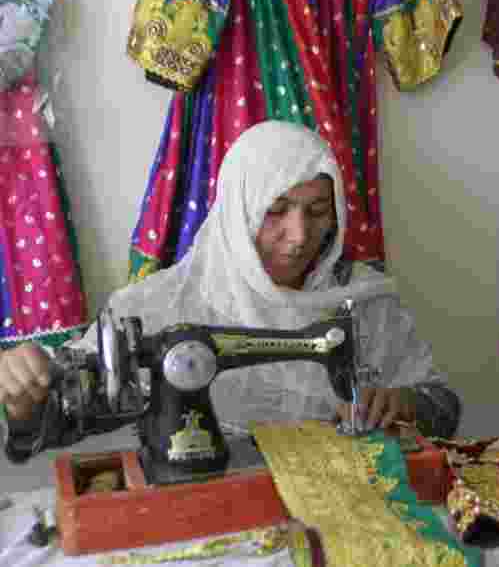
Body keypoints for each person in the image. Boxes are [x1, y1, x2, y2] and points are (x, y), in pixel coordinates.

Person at [0, 120, 461, 463]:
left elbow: (444, 407)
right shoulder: (155, 309)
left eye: (318, 210)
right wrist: (26, 400)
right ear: (237, 212)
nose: (299, 235)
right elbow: (61, 423)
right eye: (275, 210)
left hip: (342, 505)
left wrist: (407, 405)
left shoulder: (363, 299)